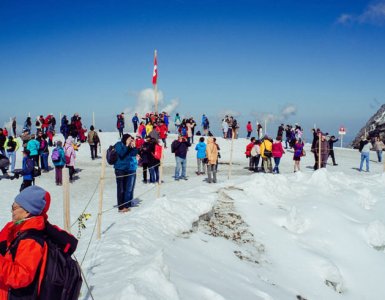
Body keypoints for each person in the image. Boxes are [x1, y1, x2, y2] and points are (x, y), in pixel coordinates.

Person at [0, 185, 79, 299]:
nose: (11, 211)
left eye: (14, 207)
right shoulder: (16, 227)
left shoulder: (31, 241)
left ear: (27, 212)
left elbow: (21, 277)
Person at [114, 134, 138, 212]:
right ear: (125, 139)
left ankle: (125, 205)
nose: (129, 141)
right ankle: (120, 207)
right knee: (120, 188)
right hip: (119, 169)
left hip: (127, 169)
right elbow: (121, 154)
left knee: (125, 188)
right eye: (128, 139)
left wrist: (133, 146)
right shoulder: (118, 145)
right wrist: (127, 145)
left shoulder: (128, 146)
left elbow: (134, 154)